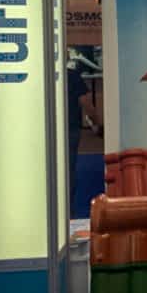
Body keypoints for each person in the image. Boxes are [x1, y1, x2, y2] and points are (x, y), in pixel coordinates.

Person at [67, 66, 100, 218]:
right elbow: (86, 102)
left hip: (45, 130)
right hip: (70, 127)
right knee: (69, 170)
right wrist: (97, 123)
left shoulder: (41, 74)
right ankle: (68, 212)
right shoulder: (72, 76)